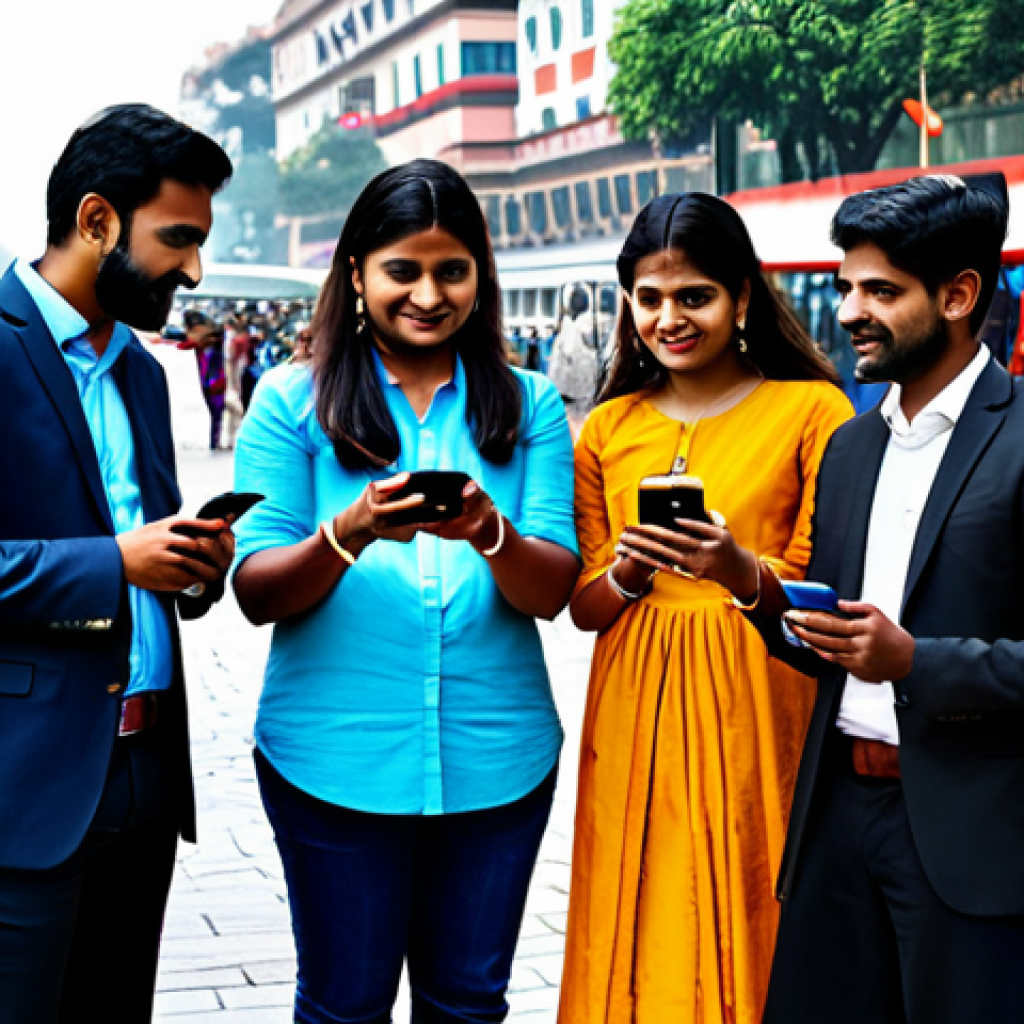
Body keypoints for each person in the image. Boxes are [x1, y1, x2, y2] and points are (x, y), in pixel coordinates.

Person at [231, 159, 579, 1024]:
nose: (429, 293)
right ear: (356, 273)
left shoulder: (529, 404)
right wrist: (345, 534)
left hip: (497, 760)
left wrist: (487, 532)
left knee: (466, 1003)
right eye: (403, 270)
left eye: (452, 270)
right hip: (329, 759)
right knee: (344, 1005)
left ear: (479, 277)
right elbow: (256, 589)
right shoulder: (289, 402)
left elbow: (552, 589)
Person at [558, 192, 853, 1024]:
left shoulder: (812, 410)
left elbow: (825, 591)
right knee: (635, 894)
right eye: (649, 299)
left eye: (695, 297)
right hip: (632, 703)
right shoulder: (607, 428)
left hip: (758, 693)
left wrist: (738, 570)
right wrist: (627, 576)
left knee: (755, 891)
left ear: (743, 296)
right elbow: (583, 608)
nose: (669, 318)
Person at [741, 175, 1024, 1024]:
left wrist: (915, 663)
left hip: (972, 833)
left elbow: (897, 651)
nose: (850, 310)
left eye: (879, 290)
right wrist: (748, 583)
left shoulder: (1019, 440)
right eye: (845, 286)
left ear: (959, 294)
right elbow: (827, 641)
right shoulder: (852, 446)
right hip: (835, 822)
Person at [0, 104, 235, 1023]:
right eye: (178, 239)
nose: (195, 269)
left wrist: (192, 560)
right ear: (97, 220)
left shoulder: (141, 368)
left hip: (143, 779)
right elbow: (109, 554)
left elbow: (142, 541)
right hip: (25, 790)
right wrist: (114, 564)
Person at [181, 310, 226, 449]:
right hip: (205, 389)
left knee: (216, 417)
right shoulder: (187, 349)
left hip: (215, 388)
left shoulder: (216, 347)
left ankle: (214, 442)